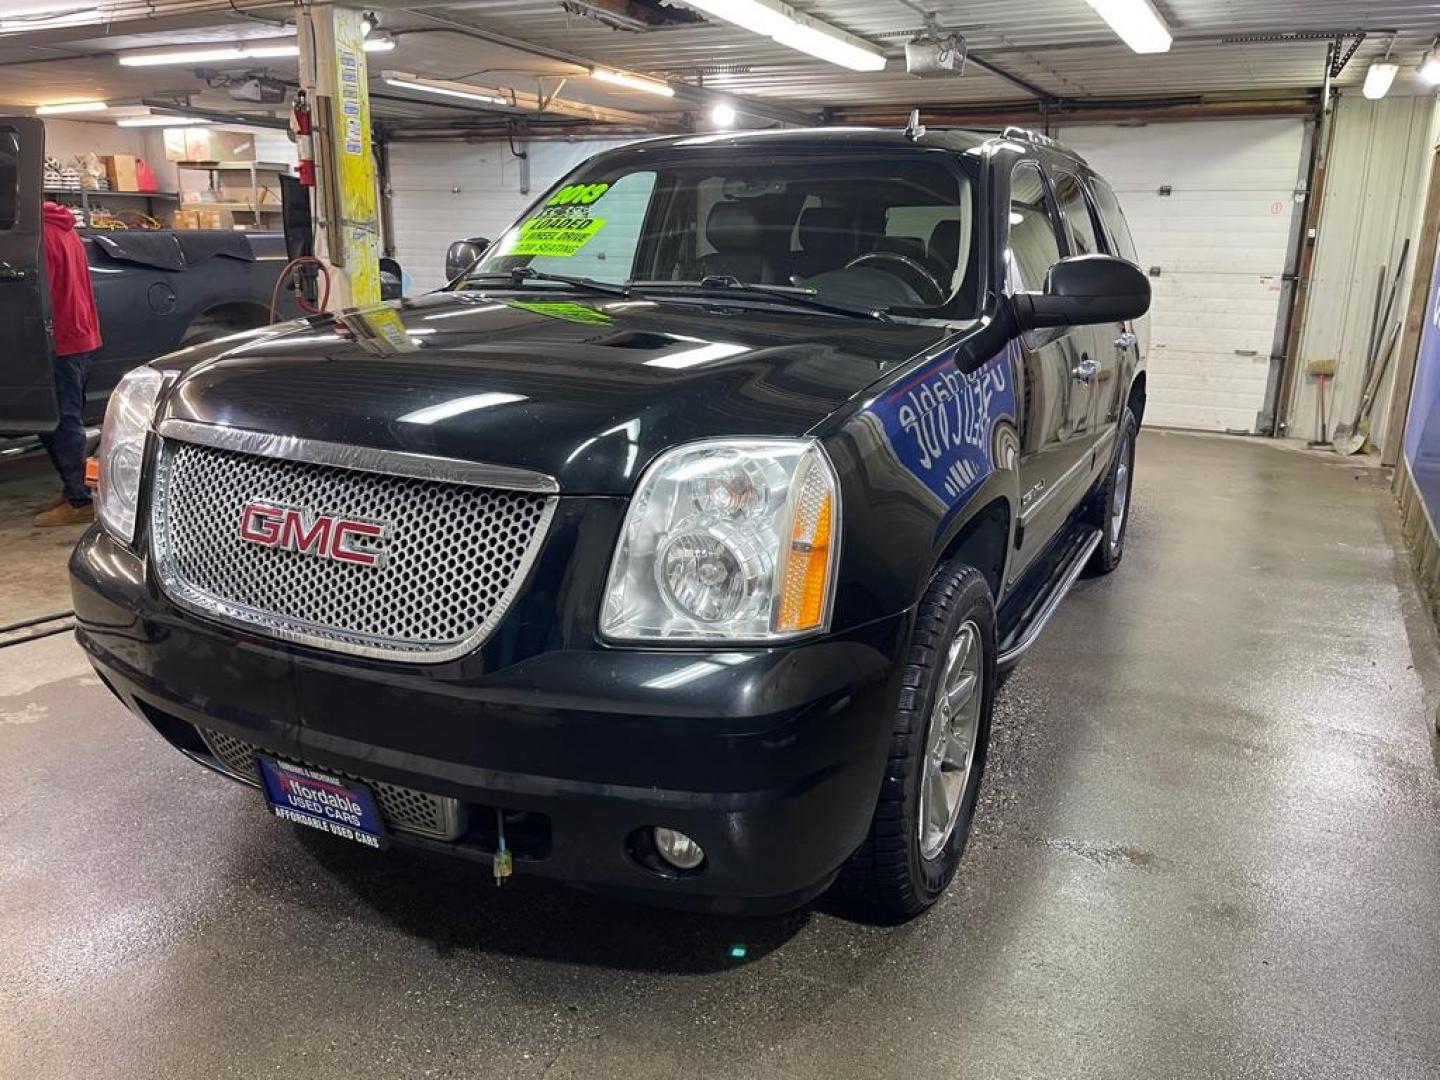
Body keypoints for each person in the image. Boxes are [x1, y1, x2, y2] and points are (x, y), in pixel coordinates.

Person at [34, 200, 103, 528]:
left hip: (59, 341)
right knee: (64, 418)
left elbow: (38, 297)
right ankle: (73, 488)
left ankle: (80, 499)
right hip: (80, 335)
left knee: (62, 423)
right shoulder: (63, 228)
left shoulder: (40, 236)